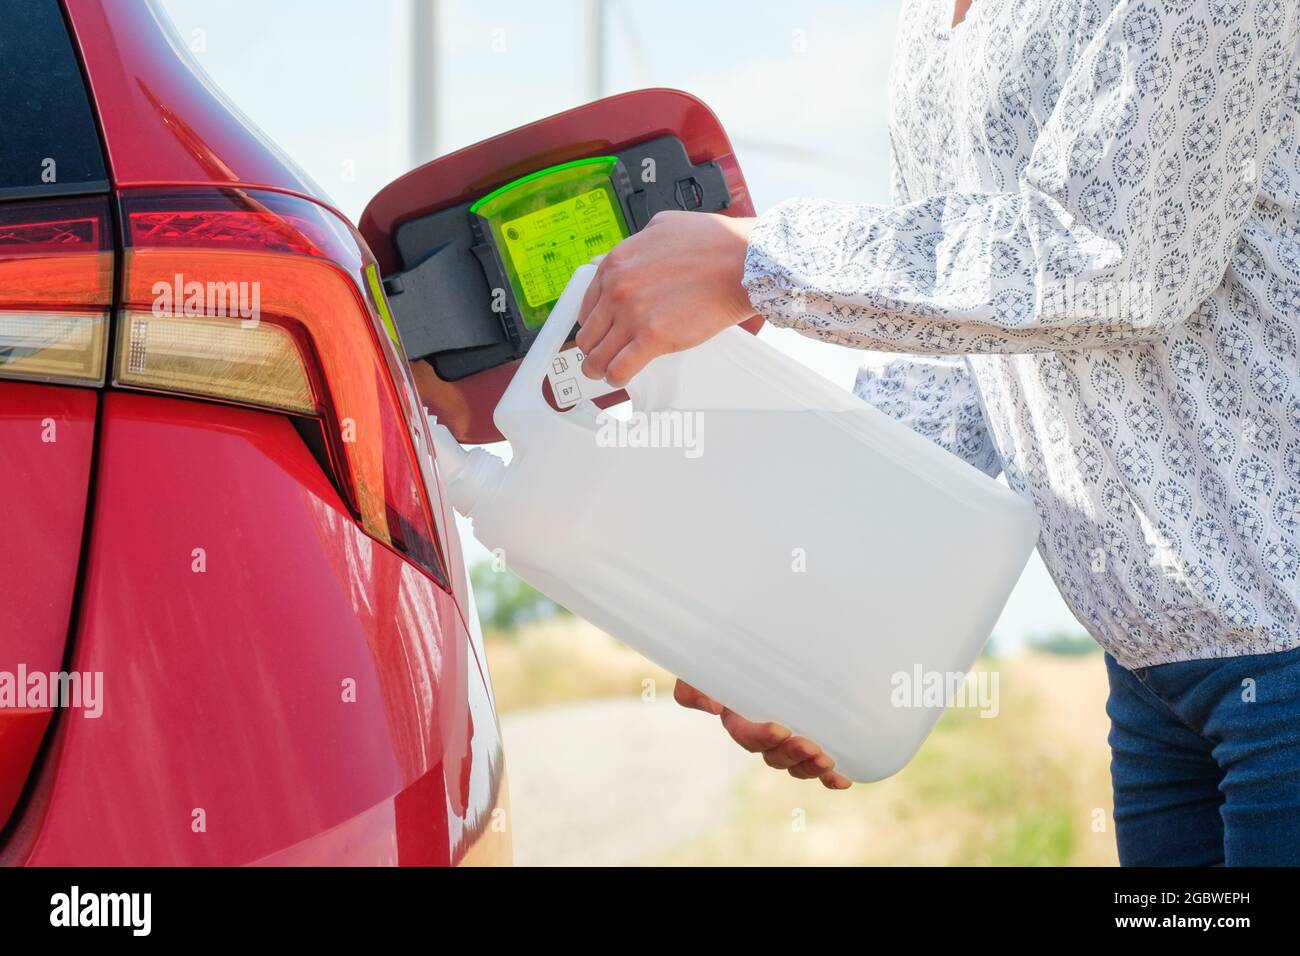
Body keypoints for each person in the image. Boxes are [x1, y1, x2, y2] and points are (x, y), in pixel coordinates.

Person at [573, 0, 1300, 866]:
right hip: (1151, 684)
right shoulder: (929, 25)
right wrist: (802, 609)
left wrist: (756, 262)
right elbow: (954, 353)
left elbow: (1116, 257)